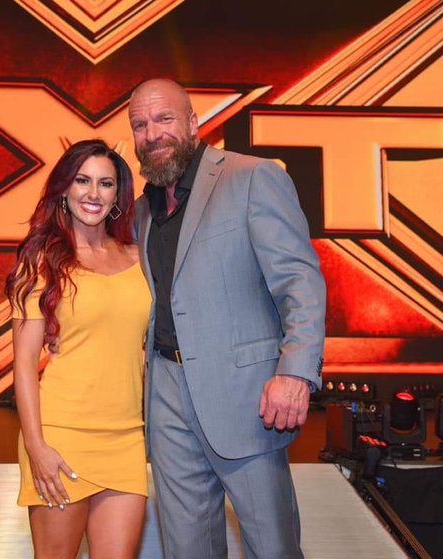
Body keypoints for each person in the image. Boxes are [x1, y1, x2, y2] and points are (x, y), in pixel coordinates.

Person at [127, 78, 326, 559]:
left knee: (272, 548)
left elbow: (299, 281)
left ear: (194, 122)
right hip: (166, 398)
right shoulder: (140, 211)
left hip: (247, 398)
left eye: (164, 119)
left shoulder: (252, 177)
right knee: (186, 549)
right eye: (140, 124)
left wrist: (295, 372)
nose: (152, 133)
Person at [5, 139, 151, 559]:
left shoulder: (140, 259)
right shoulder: (42, 261)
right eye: (82, 180)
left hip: (127, 437)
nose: (93, 193)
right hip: (61, 436)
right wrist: (36, 447)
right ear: (64, 189)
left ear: (118, 195)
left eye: (105, 183)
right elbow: (24, 365)